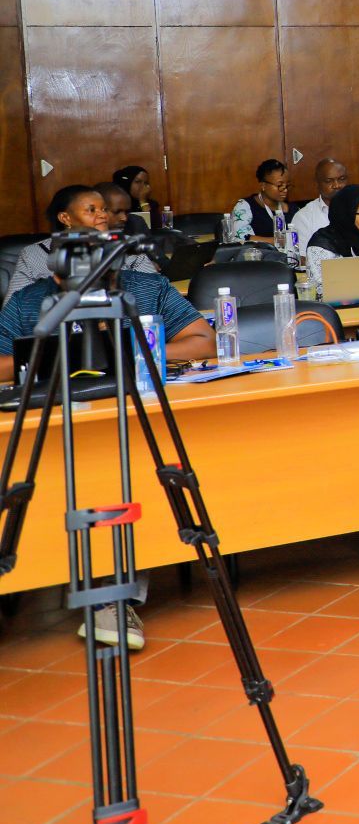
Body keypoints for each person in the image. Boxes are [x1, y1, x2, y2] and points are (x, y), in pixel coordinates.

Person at [0, 239, 215, 650]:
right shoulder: (30, 302)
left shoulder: (145, 289)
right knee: (80, 484)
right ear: (56, 274)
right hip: (54, 425)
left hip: (134, 417)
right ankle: (102, 596)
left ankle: (113, 599)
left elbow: (203, 341)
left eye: (105, 275)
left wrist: (126, 351)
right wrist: (55, 357)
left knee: (137, 478)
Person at [10, 186, 160, 296]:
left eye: (104, 209)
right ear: (65, 218)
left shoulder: (125, 244)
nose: (103, 215)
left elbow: (156, 291)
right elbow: (14, 307)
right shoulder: (33, 254)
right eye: (91, 210)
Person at [288, 158, 350, 250]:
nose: (337, 185)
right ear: (317, 183)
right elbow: (300, 255)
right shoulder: (304, 217)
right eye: (329, 181)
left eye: (341, 179)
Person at [231, 159, 293, 239]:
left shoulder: (294, 209)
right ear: (263, 185)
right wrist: (281, 241)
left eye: (287, 185)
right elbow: (242, 238)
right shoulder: (245, 207)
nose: (285, 190)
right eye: (279, 185)